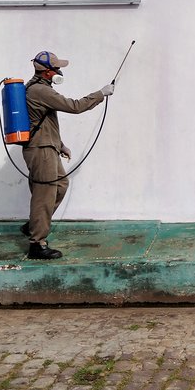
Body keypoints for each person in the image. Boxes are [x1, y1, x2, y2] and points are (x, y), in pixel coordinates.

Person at [20, 50, 114, 259]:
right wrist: (101, 93)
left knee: (60, 186)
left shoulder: (39, 89)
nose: (60, 71)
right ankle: (37, 244)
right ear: (47, 73)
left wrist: (60, 144)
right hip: (41, 150)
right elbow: (75, 106)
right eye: (57, 68)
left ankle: (35, 224)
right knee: (44, 196)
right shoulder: (41, 91)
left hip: (47, 146)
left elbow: (41, 121)